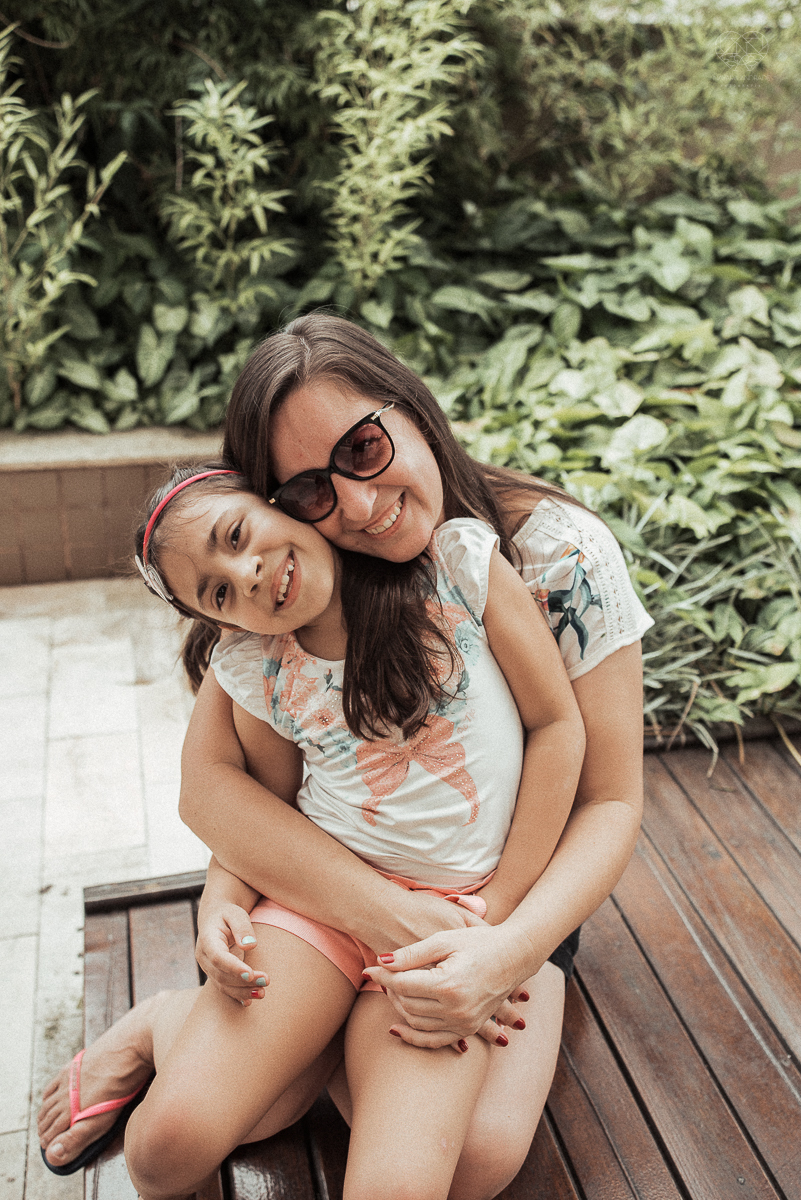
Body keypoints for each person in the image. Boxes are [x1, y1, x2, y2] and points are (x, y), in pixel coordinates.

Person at [177, 313, 652, 1199]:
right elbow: (218, 787)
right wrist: (230, 895)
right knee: (221, 1120)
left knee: (475, 1161)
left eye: (363, 447)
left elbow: (610, 799)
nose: (356, 505)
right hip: (325, 903)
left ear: (412, 410)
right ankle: (192, 1029)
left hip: (502, 896)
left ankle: (273, 1043)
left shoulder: (555, 555)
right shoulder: (304, 567)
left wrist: (505, 946)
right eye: (309, 490)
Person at [39, 461, 586, 1200]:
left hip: (454, 924)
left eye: (238, 535)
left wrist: (496, 929)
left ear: (285, 502)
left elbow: (557, 726)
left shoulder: (455, 567)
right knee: (164, 1155)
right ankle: (163, 1023)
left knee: (428, 1177)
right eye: (220, 591)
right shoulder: (259, 668)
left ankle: (313, 1050)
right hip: (317, 916)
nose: (250, 571)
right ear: (221, 621)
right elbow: (267, 807)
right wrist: (222, 898)